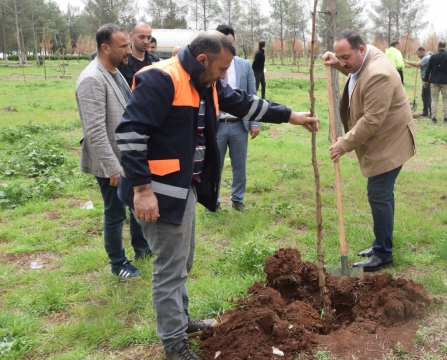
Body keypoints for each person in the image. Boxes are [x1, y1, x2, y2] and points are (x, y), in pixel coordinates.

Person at [115, 31, 318, 360]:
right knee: (170, 269)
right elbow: (129, 134)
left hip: (184, 190)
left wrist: (289, 115)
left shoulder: (206, 82)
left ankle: (180, 322)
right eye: (222, 69)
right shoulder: (160, 79)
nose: (226, 75)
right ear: (202, 61)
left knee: (182, 263)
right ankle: (174, 345)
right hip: (158, 193)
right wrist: (142, 190)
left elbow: (243, 102)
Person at [322, 29, 416, 272]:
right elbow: (353, 69)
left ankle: (383, 253)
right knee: (383, 194)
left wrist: (344, 143)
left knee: (379, 193)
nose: (343, 62)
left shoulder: (378, 75)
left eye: (346, 57)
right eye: (339, 56)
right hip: (384, 136)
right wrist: (337, 65)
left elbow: (372, 120)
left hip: (390, 141)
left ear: (361, 49)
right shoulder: (366, 56)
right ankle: (381, 244)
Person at [76, 23, 152, 279]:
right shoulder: (91, 79)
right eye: (123, 46)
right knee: (115, 213)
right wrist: (113, 168)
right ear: (105, 48)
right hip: (111, 163)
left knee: (133, 206)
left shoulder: (115, 72)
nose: (129, 50)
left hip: (126, 159)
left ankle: (143, 249)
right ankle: (118, 264)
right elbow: (95, 131)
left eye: (128, 45)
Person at [214, 25, 259, 211]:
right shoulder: (209, 65)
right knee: (214, 165)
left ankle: (237, 199)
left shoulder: (244, 65)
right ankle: (212, 200)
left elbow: (252, 94)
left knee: (239, 165)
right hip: (216, 125)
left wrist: (255, 122)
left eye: (230, 43)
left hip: (239, 124)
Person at [117, 22, 160, 87]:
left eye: (149, 38)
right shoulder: (121, 61)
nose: (146, 41)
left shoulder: (156, 61)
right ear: (131, 36)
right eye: (141, 37)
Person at [423, 40, 447, 124]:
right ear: (445, 46)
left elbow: (428, 69)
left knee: (434, 100)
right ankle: (446, 118)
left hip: (434, 81)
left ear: (437, 46)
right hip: (446, 81)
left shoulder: (433, 57)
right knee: (446, 100)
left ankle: (434, 118)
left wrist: (425, 80)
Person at [405, 47, 431, 118]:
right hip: (425, 79)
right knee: (424, 95)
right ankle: (425, 112)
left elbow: (417, 64)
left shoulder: (426, 58)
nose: (418, 56)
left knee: (427, 96)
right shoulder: (425, 58)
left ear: (422, 52)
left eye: (418, 54)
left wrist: (406, 61)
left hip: (428, 79)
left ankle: (431, 113)